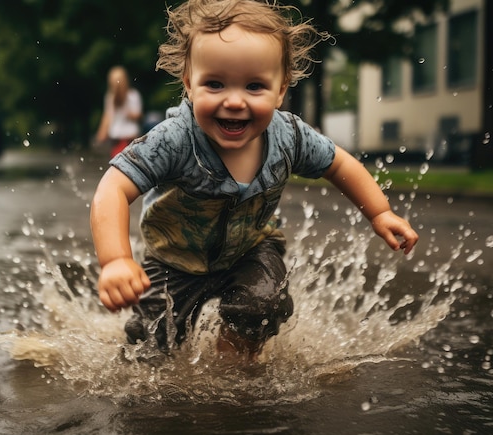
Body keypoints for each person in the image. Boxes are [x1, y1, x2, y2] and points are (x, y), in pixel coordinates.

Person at [90, 0, 419, 361]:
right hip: (173, 260)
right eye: (214, 84)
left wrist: (379, 212)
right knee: (150, 346)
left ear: (280, 90)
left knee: (262, 303)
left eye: (254, 86)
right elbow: (113, 187)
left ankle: (232, 368)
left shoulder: (289, 136)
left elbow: (340, 165)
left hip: (251, 249)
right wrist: (117, 260)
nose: (234, 101)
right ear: (188, 84)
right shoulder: (174, 139)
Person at [95, 66, 143, 157]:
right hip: (116, 139)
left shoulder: (133, 95)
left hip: (130, 139)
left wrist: (127, 111)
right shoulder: (110, 97)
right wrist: (101, 134)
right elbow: (108, 116)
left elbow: (138, 115)